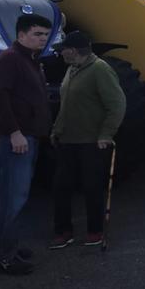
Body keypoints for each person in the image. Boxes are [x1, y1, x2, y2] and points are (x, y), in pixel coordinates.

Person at [0, 14, 51, 274]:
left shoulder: (30, 61)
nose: (42, 39)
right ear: (21, 35)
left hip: (27, 136)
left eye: (45, 34)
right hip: (15, 139)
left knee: (5, 197)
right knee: (14, 199)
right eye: (36, 34)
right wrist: (14, 132)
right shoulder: (10, 59)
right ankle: (6, 256)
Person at [49, 31, 127, 249]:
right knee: (60, 187)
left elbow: (117, 104)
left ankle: (95, 231)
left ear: (73, 50)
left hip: (91, 141)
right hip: (67, 140)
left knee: (92, 187)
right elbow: (66, 105)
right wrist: (56, 129)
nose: (60, 53)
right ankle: (63, 231)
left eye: (63, 49)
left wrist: (106, 133)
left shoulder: (100, 69)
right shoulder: (71, 69)